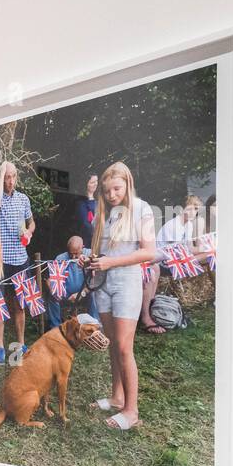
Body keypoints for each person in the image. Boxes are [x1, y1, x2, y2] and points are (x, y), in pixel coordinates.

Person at [83, 162, 156, 430]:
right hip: (103, 283)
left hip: (126, 282)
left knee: (125, 347)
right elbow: (103, 253)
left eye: (117, 188)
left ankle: (131, 411)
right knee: (114, 343)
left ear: (127, 183)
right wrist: (91, 261)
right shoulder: (106, 212)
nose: (112, 194)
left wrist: (110, 263)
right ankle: (116, 397)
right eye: (107, 190)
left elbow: (149, 252)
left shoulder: (142, 209)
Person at [140, 194, 204, 333]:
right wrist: (199, 253)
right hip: (163, 261)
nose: (194, 212)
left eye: (196, 209)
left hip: (176, 257)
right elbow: (175, 253)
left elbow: (191, 249)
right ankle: (151, 307)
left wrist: (203, 246)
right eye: (191, 208)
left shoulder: (189, 225)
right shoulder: (173, 225)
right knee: (204, 256)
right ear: (182, 209)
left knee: (209, 254)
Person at [0, 162, 35, 363]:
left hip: (20, 260)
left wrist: (29, 231)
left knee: (20, 305)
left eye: (13, 177)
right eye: (7, 177)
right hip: (1, 262)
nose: (10, 181)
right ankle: (1, 347)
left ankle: (21, 343)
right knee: (0, 304)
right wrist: (1, 172)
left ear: (17, 177)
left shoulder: (23, 199)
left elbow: (31, 221)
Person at [46, 235, 92, 329]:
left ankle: (94, 325)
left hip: (85, 291)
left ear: (82, 247)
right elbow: (50, 279)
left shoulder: (90, 254)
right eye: (71, 253)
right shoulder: (61, 258)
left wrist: (81, 293)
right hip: (66, 292)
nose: (73, 256)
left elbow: (96, 281)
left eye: (76, 253)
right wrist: (53, 290)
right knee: (52, 296)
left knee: (96, 294)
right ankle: (55, 328)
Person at [76, 174, 99, 251]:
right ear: (86, 184)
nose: (95, 184)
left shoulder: (98, 199)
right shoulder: (81, 202)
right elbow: (85, 224)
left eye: (96, 181)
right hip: (89, 239)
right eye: (92, 182)